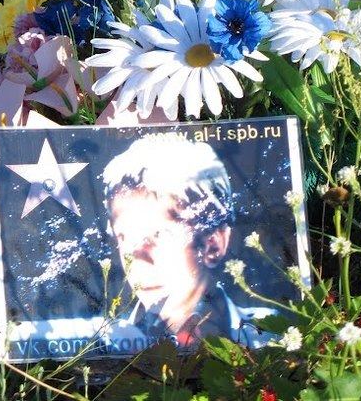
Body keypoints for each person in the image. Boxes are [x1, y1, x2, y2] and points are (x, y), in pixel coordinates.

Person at [100, 133, 275, 350]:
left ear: (213, 244)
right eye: (125, 237)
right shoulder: (103, 344)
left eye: (159, 235)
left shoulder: (270, 334)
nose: (138, 259)